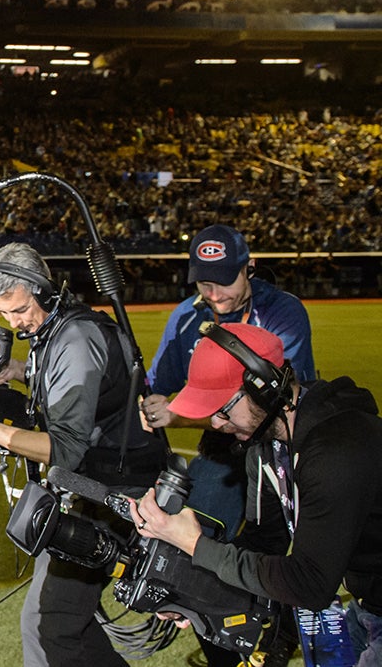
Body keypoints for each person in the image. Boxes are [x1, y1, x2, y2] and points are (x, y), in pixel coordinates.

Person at [0, 242, 166, 667]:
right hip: (96, 488)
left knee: (50, 624)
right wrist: (15, 374)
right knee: (61, 622)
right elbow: (57, 403)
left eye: (18, 310)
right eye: (3, 313)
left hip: (115, 494)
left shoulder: (75, 337)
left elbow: (65, 448)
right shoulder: (56, 329)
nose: (14, 323)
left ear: (45, 291)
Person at [132, 323, 382, 667]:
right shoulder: (266, 447)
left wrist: (196, 546)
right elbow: (266, 543)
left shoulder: (337, 450)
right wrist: (193, 590)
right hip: (369, 602)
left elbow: (309, 584)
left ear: (263, 388)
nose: (216, 424)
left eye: (223, 407)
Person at [139, 224, 316, 666]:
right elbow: (157, 386)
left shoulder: (282, 312)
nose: (214, 294)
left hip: (276, 441)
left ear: (249, 268)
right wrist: (150, 404)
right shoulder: (185, 316)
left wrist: (177, 413)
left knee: (271, 552)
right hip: (223, 445)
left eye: (224, 281)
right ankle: (222, 640)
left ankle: (273, 638)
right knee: (196, 550)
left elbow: (268, 402)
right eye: (203, 282)